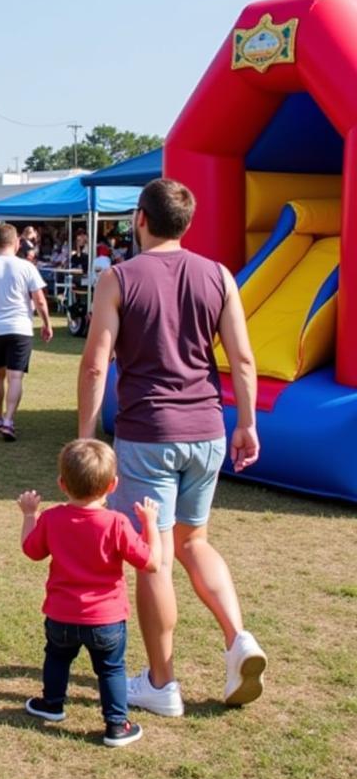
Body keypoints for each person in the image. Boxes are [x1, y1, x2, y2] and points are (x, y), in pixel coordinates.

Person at [78, 178, 266, 716]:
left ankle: (162, 685)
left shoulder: (117, 278)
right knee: (194, 543)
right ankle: (238, 639)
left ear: (139, 218)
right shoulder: (219, 276)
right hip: (207, 430)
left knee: (154, 559)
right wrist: (247, 424)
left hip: (148, 434)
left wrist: (87, 438)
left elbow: (96, 363)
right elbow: (243, 358)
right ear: (187, 224)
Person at [20, 439, 161, 747]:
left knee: (56, 658)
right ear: (112, 485)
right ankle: (116, 726)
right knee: (111, 670)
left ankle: (52, 705)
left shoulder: (52, 518)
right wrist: (151, 524)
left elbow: (31, 551)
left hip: (60, 615)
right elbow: (152, 562)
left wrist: (30, 515)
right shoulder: (118, 523)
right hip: (106, 620)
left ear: (62, 483)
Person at [0, 223, 53, 442]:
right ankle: (9, 420)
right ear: (17, 243)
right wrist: (46, 324)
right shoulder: (27, 267)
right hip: (20, 328)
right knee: (15, 376)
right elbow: (40, 300)